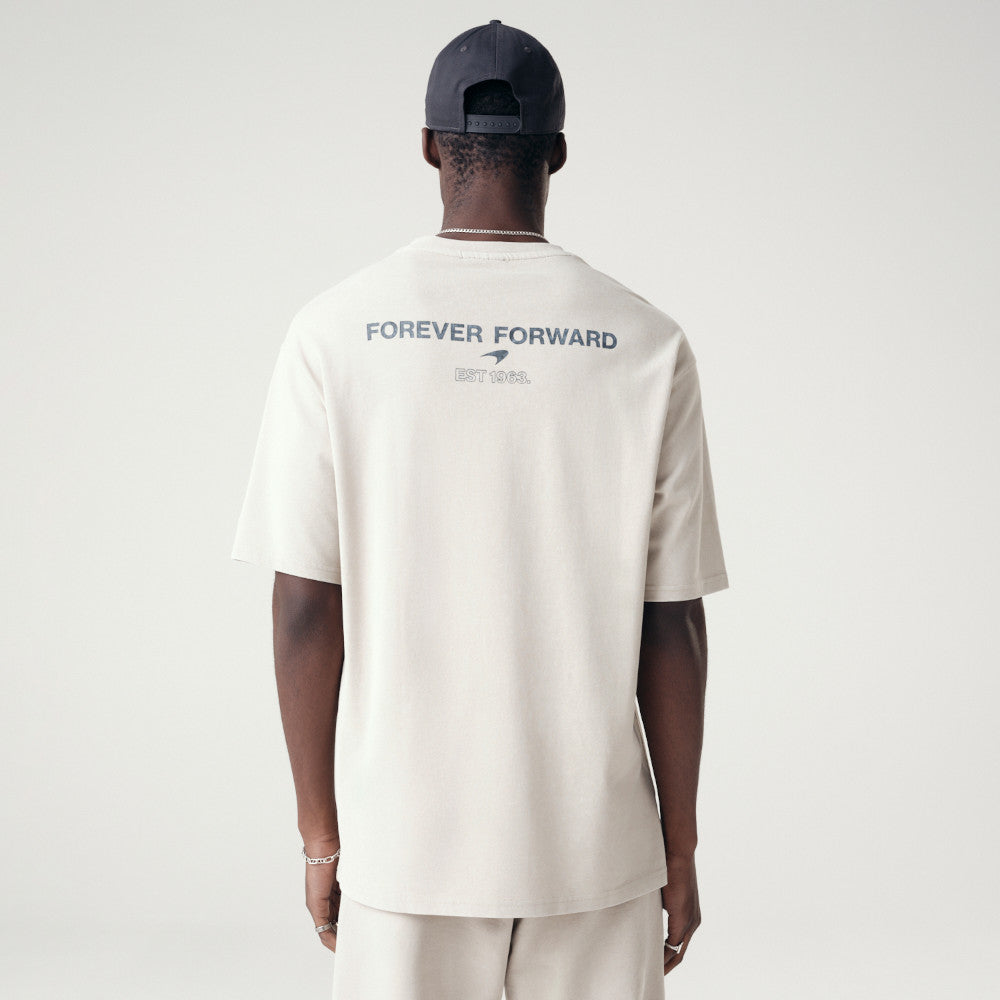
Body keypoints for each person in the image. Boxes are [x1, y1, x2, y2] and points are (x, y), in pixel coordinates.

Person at [231, 18, 729, 1000]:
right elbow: (672, 621)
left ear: (428, 145)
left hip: (402, 848)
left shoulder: (333, 333)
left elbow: (303, 607)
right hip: (594, 852)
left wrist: (321, 837)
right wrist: (678, 847)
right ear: (557, 152)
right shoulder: (645, 344)